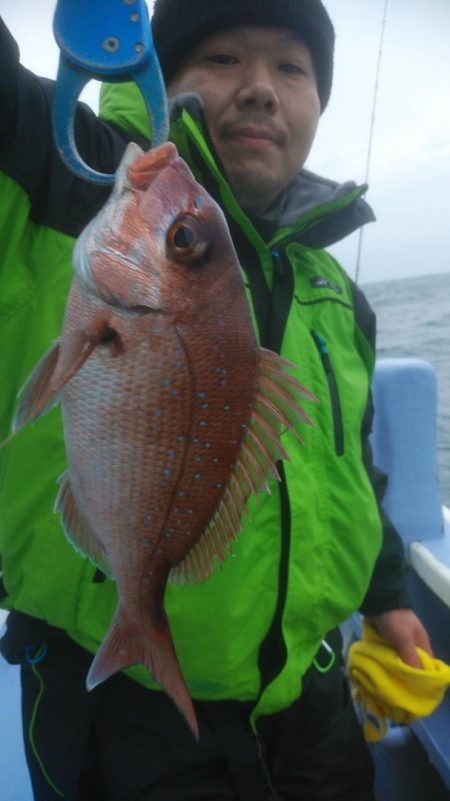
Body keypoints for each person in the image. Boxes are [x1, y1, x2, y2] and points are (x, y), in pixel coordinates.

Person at [0, 2, 432, 800]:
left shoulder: (337, 292)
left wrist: (388, 599)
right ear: (161, 77)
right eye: (224, 59)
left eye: (292, 68)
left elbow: (348, 469)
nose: (262, 89)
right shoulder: (69, 182)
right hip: (113, 719)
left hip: (313, 699)